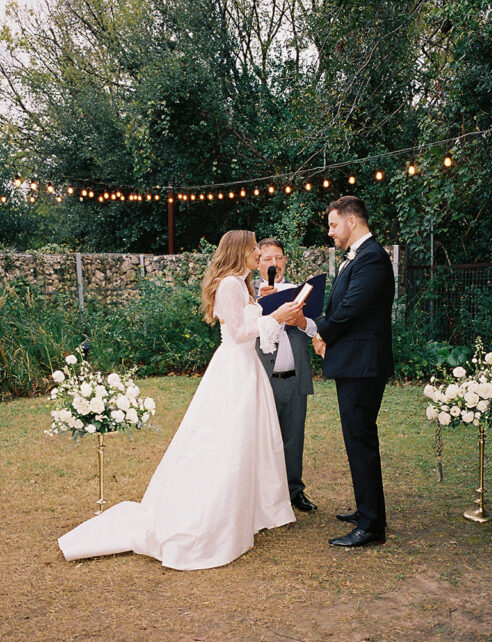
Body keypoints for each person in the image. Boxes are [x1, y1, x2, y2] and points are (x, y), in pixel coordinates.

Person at [58, 230, 305, 570]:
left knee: (248, 443)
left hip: (248, 370)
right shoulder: (231, 285)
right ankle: (212, 516)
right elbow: (238, 334)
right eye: (253, 249)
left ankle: (245, 511)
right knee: (227, 442)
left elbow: (257, 334)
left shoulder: (243, 284)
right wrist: (273, 318)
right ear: (239, 251)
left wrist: (278, 316)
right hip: (234, 370)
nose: (257, 253)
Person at [312, 196, 395, 547]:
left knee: (360, 441)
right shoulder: (358, 257)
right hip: (354, 363)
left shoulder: (373, 257)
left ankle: (371, 526)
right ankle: (367, 511)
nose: (330, 232)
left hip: (363, 365)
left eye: (333, 225)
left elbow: (350, 310)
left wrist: (322, 331)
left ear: (351, 221)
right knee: (357, 439)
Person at [253, 238, 318, 513]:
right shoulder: (249, 294)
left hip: (294, 377)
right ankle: (262, 494)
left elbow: (315, 328)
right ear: (257, 263)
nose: (274, 264)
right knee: (262, 438)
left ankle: (294, 491)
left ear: (285, 261)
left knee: (294, 437)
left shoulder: (297, 291)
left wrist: (301, 321)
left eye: (278, 258)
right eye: (267, 259)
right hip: (262, 379)